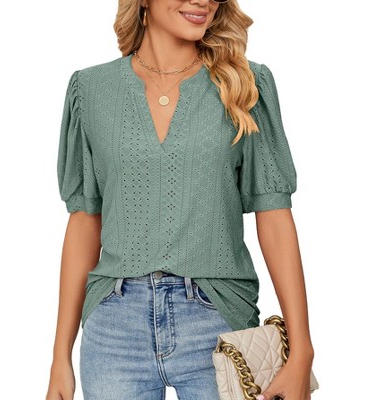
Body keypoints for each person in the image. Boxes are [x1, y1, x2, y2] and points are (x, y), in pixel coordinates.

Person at [46, 0, 315, 399]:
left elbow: (274, 214)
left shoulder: (245, 83)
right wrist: (60, 357)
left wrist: (302, 351)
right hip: (114, 329)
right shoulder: (90, 89)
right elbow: (85, 219)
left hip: (219, 322)